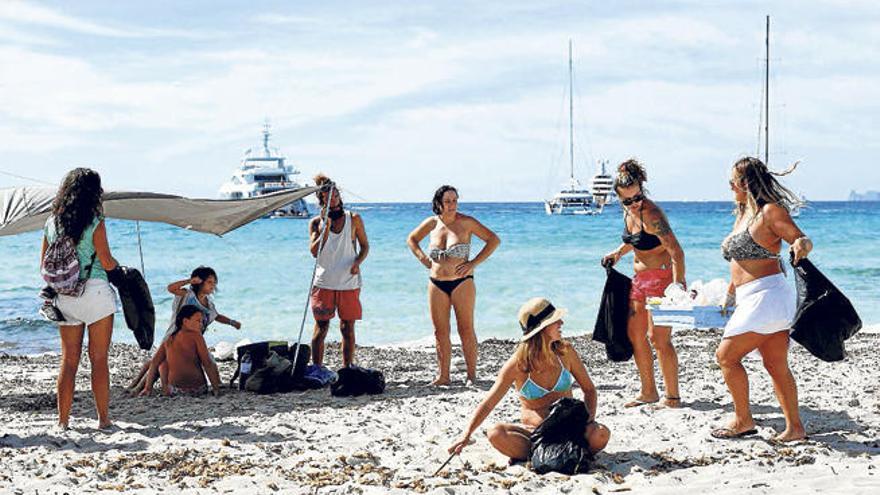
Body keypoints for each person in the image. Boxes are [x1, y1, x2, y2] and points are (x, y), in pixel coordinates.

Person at [713, 157, 810, 442]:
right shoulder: (743, 213)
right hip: (752, 299)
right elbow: (739, 259)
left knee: (726, 357)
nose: (730, 186)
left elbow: (800, 239)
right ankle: (795, 428)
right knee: (775, 363)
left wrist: (802, 246)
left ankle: (743, 420)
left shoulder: (770, 212)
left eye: (733, 181)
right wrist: (730, 293)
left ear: (746, 183)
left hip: (767, 296)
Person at [448, 297, 610, 461]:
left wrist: (588, 420)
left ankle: (552, 456)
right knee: (496, 434)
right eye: (555, 320)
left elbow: (589, 390)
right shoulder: (517, 364)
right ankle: (550, 454)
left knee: (601, 433)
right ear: (543, 328)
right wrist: (466, 434)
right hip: (535, 434)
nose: (561, 322)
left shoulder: (565, 352)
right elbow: (489, 402)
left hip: (569, 429)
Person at [601, 159, 686, 408]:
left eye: (637, 197)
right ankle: (648, 391)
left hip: (662, 280)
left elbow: (677, 252)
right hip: (640, 281)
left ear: (642, 189)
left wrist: (678, 288)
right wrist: (618, 252)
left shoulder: (652, 214)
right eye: (627, 200)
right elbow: (637, 240)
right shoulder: (629, 212)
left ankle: (672, 397)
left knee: (658, 339)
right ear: (619, 199)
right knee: (636, 335)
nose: (634, 203)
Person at [40, 168, 119, 430]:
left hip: (65, 295)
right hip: (95, 292)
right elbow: (106, 262)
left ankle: (63, 421)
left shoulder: (52, 222)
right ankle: (103, 419)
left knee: (69, 360)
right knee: (98, 359)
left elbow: (43, 264)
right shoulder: (95, 221)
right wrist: (121, 269)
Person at [407, 185, 500, 386]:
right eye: (448, 201)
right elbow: (412, 240)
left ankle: (471, 375)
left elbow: (493, 240)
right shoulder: (431, 224)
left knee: (466, 328)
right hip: (436, 283)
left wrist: (473, 263)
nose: (452, 205)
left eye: (455, 200)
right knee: (440, 332)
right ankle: (443, 376)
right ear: (439, 203)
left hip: (462, 283)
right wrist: (424, 259)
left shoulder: (466, 222)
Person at [128, 266, 240, 393]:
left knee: (159, 361)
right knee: (159, 362)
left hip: (193, 339)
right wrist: (189, 281)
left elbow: (217, 316)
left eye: (214, 283)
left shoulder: (208, 303)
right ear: (199, 281)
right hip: (175, 335)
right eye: (209, 282)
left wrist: (232, 322)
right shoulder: (187, 295)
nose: (213, 285)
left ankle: (137, 386)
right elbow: (171, 288)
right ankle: (138, 387)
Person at [309, 174, 369, 374]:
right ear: (322, 199)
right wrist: (324, 228)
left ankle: (347, 367)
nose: (333, 197)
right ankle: (316, 367)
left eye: (335, 194)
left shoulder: (354, 219)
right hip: (324, 281)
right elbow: (314, 252)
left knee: (347, 328)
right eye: (328, 195)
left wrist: (358, 262)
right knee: (321, 327)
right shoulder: (316, 222)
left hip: (348, 281)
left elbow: (365, 246)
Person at [140, 305, 221, 396]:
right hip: (198, 389)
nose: (201, 324)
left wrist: (148, 388)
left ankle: (163, 389)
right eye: (198, 321)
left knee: (162, 362)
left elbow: (154, 363)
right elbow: (207, 363)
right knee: (163, 362)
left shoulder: (169, 339)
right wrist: (215, 388)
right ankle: (161, 389)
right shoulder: (196, 336)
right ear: (185, 321)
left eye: (202, 321)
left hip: (175, 390)